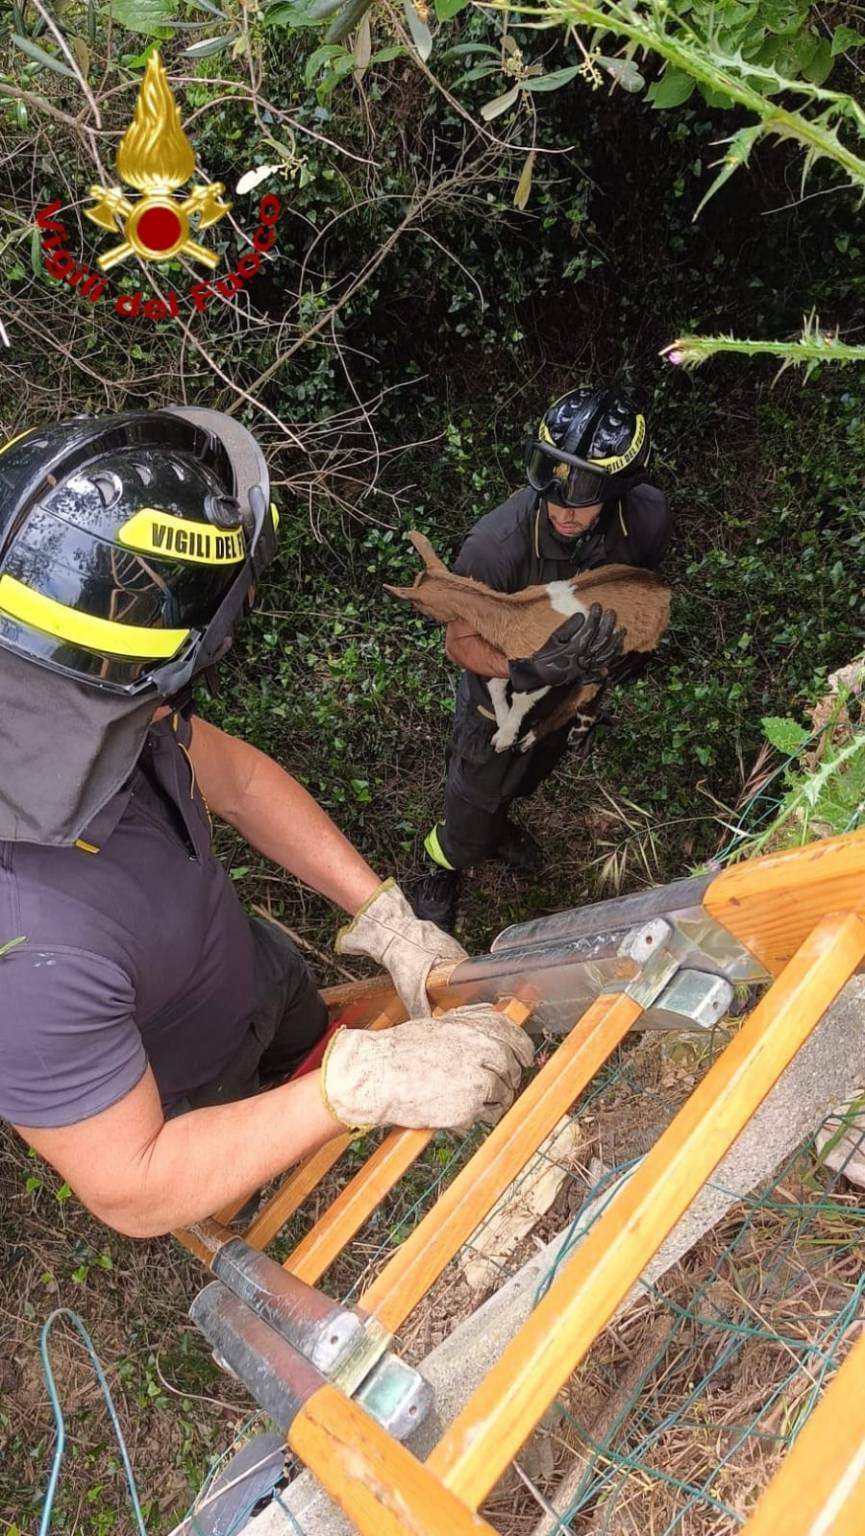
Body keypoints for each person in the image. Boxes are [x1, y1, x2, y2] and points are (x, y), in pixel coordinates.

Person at [0, 409, 533, 1238]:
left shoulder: (81, 700)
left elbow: (241, 782)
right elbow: (135, 1183)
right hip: (193, 1103)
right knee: (264, 1206)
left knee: (308, 1034)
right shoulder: (24, 957)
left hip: (258, 981)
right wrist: (344, 1094)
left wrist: (383, 915)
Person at [410, 385, 671, 931]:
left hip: (567, 701)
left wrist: (621, 658)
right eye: (553, 481)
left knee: (529, 776)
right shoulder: (496, 546)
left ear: (621, 489)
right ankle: (441, 863)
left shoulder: (645, 518)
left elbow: (638, 589)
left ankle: (499, 824)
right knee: (472, 804)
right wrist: (528, 668)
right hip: (498, 703)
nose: (564, 508)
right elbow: (458, 643)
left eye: (586, 490)